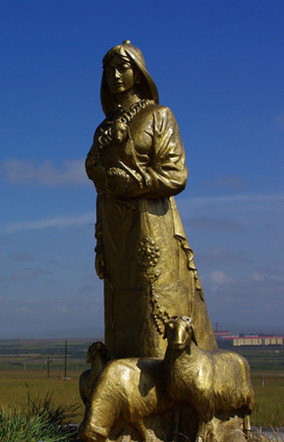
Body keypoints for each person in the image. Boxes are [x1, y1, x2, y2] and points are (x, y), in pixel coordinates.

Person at [85, 41, 217, 359]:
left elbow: (175, 175)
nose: (115, 75)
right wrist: (101, 241)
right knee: (122, 307)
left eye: (123, 67)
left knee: (154, 301)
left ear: (138, 73)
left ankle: (166, 383)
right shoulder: (103, 128)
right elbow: (98, 180)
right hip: (116, 232)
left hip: (152, 226)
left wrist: (133, 181)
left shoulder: (159, 116)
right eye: (109, 70)